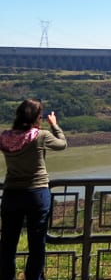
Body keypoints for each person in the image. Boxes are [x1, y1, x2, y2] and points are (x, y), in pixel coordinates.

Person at [0, 99, 67, 280]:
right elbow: (62, 144)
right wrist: (55, 125)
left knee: (7, 243)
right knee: (37, 243)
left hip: (11, 194)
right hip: (37, 193)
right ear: (37, 117)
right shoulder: (40, 135)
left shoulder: (5, 136)